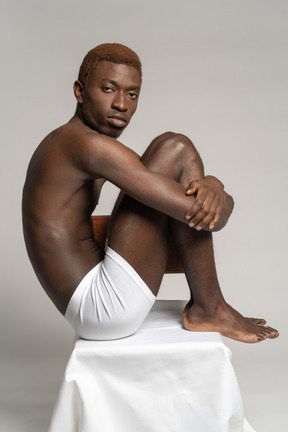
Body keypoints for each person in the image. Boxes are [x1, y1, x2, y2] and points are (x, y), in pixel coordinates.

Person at [22, 43, 278, 343]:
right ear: (80, 91)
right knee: (177, 148)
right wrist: (216, 187)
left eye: (132, 94)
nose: (121, 104)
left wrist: (211, 187)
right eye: (108, 89)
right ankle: (209, 307)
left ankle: (210, 306)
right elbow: (208, 218)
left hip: (89, 307)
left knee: (170, 147)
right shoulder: (85, 145)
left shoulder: (67, 141)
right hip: (103, 309)